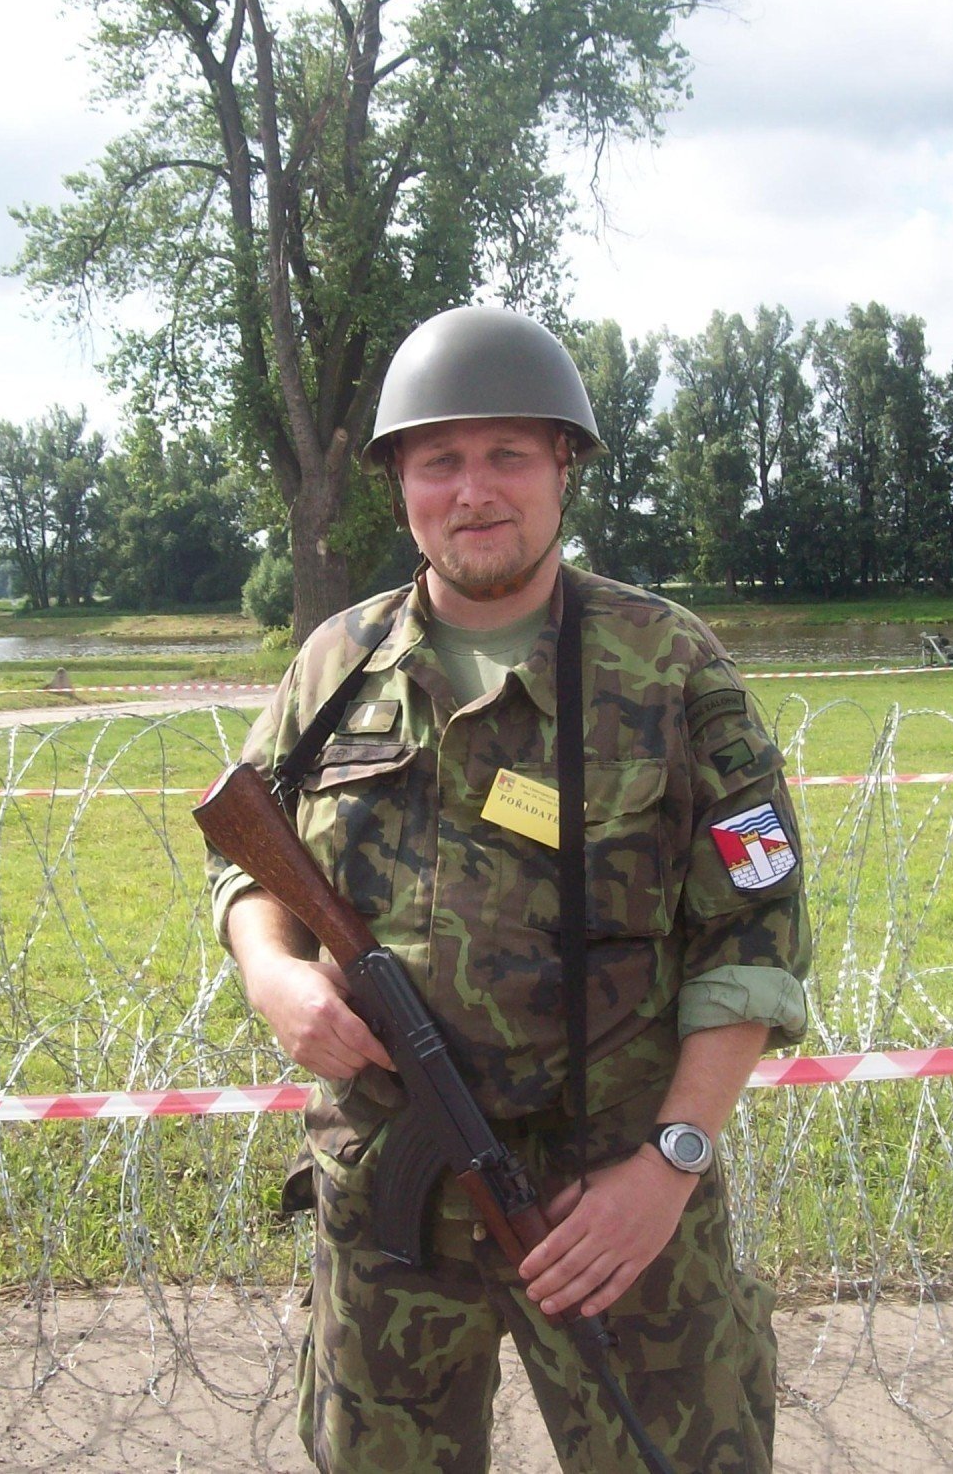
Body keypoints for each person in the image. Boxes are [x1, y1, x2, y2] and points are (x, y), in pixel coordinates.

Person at [209, 305, 810, 1473]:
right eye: (439, 461)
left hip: (613, 1204)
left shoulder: (667, 665)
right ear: (400, 484)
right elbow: (248, 852)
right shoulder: (337, 665)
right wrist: (271, 972)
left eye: (506, 457)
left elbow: (755, 934)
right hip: (388, 1191)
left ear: (563, 469)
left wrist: (668, 1168)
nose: (472, 491)